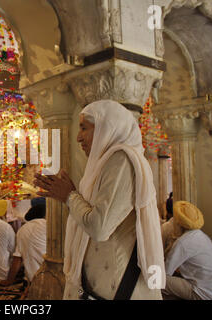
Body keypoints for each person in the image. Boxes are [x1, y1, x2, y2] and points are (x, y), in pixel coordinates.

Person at [34, 100, 165, 300]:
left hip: (117, 284)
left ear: (108, 127)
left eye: (84, 128)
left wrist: (70, 196)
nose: (78, 137)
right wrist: (67, 194)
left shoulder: (122, 160)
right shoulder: (106, 163)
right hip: (104, 282)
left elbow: (99, 227)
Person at [162, 201, 212, 300]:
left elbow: (166, 271)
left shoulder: (182, 242)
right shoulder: (201, 235)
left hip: (205, 295)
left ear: (179, 223)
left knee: (157, 280)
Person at [0, 203, 46, 286]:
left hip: (33, 279)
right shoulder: (47, 225)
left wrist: (9, 280)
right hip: (53, 276)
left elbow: (17, 259)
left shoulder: (22, 230)